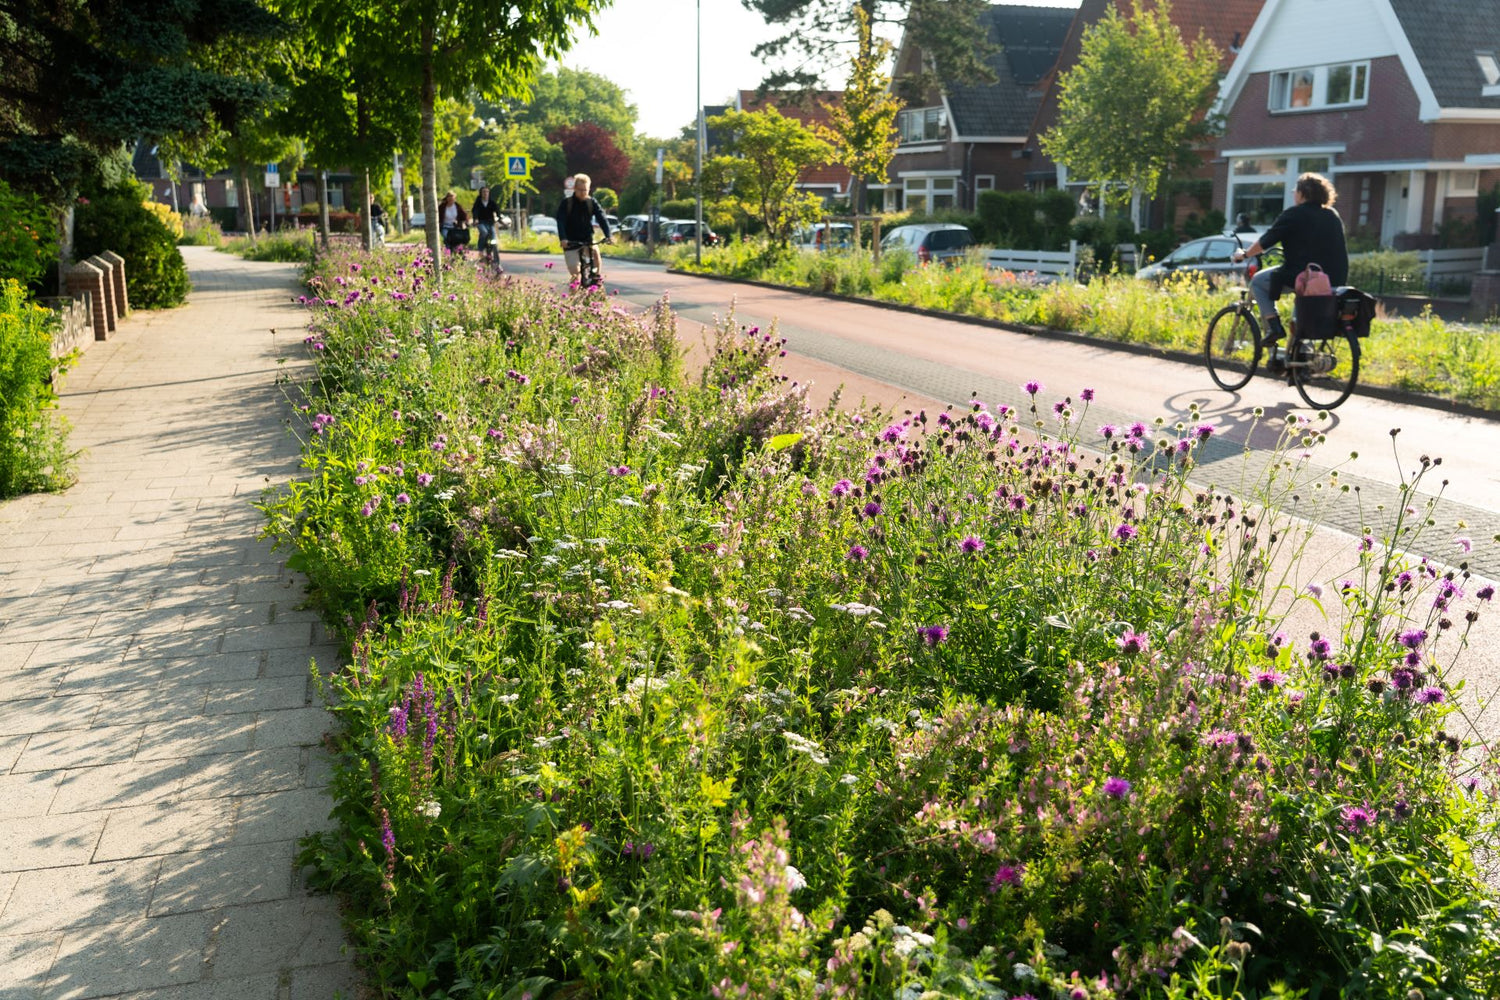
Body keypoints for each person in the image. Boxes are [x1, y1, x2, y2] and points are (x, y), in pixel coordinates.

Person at [1231, 172, 1347, 364]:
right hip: (1333, 279)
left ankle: (1274, 326)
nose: (1294, 193)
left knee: (1259, 281)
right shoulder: (1332, 216)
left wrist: (1244, 254)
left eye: (1295, 190)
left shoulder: (1294, 214)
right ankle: (1300, 358)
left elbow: (1266, 240)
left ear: (1302, 194)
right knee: (1302, 309)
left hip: (1305, 276)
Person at [554, 172, 610, 282]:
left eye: (586, 190)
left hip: (587, 240)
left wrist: (608, 235)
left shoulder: (591, 202)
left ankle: (596, 279)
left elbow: (602, 218)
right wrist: (563, 238)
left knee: (596, 255)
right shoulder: (567, 203)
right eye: (580, 190)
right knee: (576, 275)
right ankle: (574, 297)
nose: (583, 193)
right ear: (575, 188)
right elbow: (560, 221)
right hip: (571, 242)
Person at [471, 186, 500, 261]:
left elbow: (497, 210)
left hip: (490, 222)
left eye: (487, 192)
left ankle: (494, 252)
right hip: (481, 222)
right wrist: (476, 219)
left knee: (493, 237)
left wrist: (499, 218)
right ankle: (481, 249)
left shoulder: (491, 202)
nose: (485, 193)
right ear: (481, 193)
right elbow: (475, 211)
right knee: (484, 232)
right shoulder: (478, 202)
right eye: (484, 192)